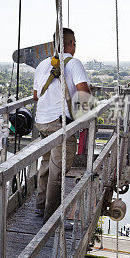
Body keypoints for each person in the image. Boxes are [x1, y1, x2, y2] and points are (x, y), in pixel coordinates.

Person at [32, 28, 91, 223]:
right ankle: (52, 217)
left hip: (42, 121)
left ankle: (40, 206)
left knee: (47, 164)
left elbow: (35, 95)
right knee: (58, 171)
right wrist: (84, 116)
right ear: (71, 43)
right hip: (59, 123)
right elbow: (83, 93)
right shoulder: (73, 64)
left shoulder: (42, 64)